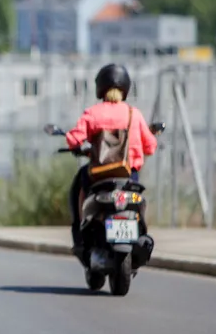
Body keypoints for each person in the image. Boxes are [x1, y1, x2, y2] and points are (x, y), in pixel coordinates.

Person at [65, 63, 158, 267]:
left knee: (78, 189)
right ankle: (141, 229)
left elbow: (74, 140)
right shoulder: (134, 114)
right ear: (126, 88)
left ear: (100, 88)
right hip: (128, 176)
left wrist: (75, 143)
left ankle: (82, 228)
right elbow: (150, 146)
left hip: (99, 175)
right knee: (138, 199)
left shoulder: (93, 113)